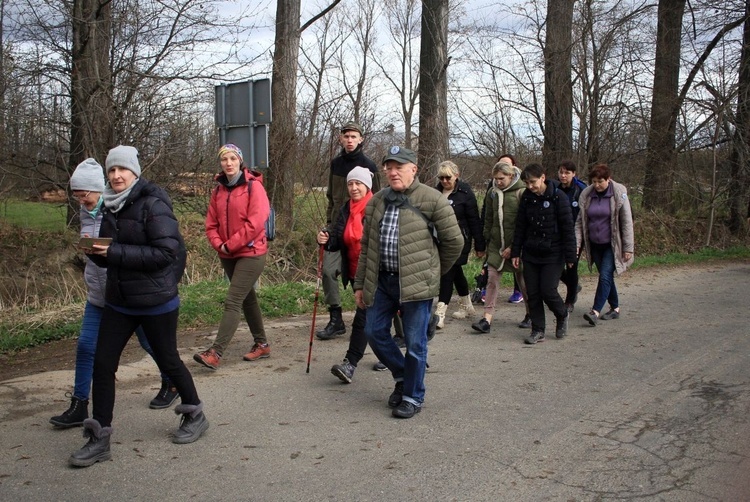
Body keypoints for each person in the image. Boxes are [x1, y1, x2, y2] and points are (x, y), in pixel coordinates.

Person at [70, 145, 207, 468]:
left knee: (168, 360)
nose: (116, 176)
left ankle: (195, 413)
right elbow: (111, 254)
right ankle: (99, 436)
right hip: (119, 301)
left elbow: (166, 253)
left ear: (135, 172)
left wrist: (114, 253)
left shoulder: (154, 204)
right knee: (103, 364)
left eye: (122, 170)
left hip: (155, 301)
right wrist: (95, 253)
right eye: (112, 171)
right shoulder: (110, 206)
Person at [50, 159, 179, 429]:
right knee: (87, 348)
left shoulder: (117, 211)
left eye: (86, 194)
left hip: (130, 296)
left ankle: (171, 381)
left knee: (154, 346)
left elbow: (164, 252)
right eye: (77, 195)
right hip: (99, 296)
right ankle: (79, 404)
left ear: (101, 189)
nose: (81, 200)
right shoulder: (85, 214)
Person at [354, 146, 463, 419]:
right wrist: (359, 284)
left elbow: (454, 242)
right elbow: (367, 246)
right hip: (382, 281)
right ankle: (404, 376)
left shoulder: (433, 199)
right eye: (388, 167)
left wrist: (432, 271)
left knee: (415, 343)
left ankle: (413, 396)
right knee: (373, 332)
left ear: (413, 169)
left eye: (399, 167)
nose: (392, 172)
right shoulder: (377, 201)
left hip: (416, 284)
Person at [194, 144, 271, 369]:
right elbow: (211, 224)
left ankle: (215, 353)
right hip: (227, 254)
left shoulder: (253, 187)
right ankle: (262, 344)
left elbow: (256, 222)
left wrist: (231, 244)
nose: (228, 163)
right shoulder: (218, 191)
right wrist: (220, 245)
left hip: (251, 252)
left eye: (232, 159)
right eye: (224, 159)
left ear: (240, 161)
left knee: (233, 300)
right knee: (247, 298)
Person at [317, 122, 381, 340]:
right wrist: (328, 225)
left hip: (361, 231)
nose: (350, 140)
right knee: (327, 271)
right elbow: (330, 199)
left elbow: (378, 199)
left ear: (361, 139)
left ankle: (385, 322)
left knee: (368, 278)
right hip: (336, 230)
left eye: (354, 136)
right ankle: (336, 319)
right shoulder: (335, 164)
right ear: (341, 139)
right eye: (346, 136)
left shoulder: (369, 166)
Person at [317, 166, 375, 382]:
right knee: (374, 317)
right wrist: (325, 237)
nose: (353, 187)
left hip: (375, 271)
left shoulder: (377, 206)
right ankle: (405, 354)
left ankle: (350, 363)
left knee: (368, 317)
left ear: (367, 186)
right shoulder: (345, 209)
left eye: (358, 183)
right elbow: (338, 238)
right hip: (354, 271)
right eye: (350, 183)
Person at [510, 163, 576, 345]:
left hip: (554, 252)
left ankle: (562, 314)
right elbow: (520, 227)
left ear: (543, 177)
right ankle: (538, 330)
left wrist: (571, 256)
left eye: (533, 182)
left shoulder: (558, 197)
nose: (530, 186)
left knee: (548, 290)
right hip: (531, 252)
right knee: (533, 293)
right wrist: (516, 252)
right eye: (527, 183)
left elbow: (567, 228)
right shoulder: (526, 198)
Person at [471, 161, 530, 334]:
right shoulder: (492, 193)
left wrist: (514, 247)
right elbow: (488, 219)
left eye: (502, 178)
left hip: (517, 246)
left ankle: (530, 313)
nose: (498, 182)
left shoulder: (522, 192)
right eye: (495, 179)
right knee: (492, 280)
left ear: (511, 176)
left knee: (524, 283)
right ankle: (486, 318)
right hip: (496, 245)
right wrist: (486, 243)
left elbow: (525, 223)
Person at [575, 163, 634, 326]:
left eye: (600, 181)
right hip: (594, 244)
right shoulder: (587, 196)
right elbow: (580, 222)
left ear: (608, 179)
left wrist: (628, 248)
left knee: (605, 275)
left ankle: (594, 311)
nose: (597, 185)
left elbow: (627, 222)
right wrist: (577, 244)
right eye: (594, 181)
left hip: (612, 245)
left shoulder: (618, 194)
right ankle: (615, 308)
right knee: (606, 277)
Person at [433, 161, 485, 328]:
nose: (445, 181)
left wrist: (479, 245)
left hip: (460, 239)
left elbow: (474, 220)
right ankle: (467, 305)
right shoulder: (435, 192)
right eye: (441, 178)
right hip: (440, 239)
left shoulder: (465, 193)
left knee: (447, 272)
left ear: (456, 176)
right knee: (456, 272)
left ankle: (440, 312)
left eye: (448, 177)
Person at [557, 160, 587, 312]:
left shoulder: (581, 190)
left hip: (576, 234)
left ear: (574, 174)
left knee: (571, 267)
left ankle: (569, 301)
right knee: (555, 265)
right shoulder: (555, 188)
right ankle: (573, 285)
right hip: (557, 233)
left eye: (567, 173)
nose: (563, 176)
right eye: (561, 172)